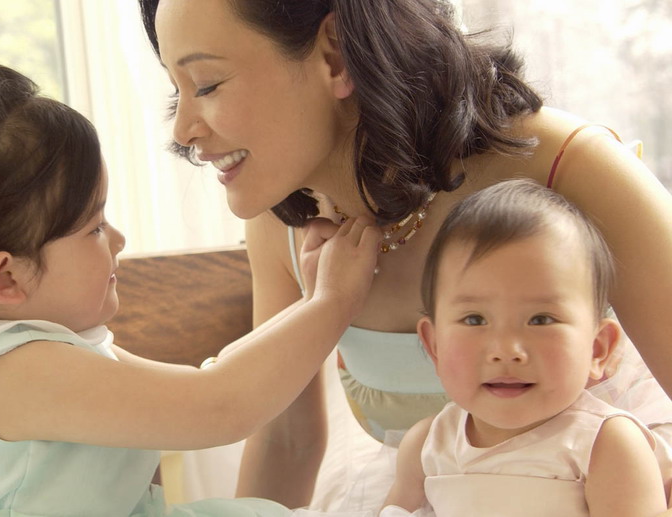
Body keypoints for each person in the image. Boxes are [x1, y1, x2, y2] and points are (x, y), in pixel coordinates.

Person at [138, 0, 672, 509]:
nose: (184, 131)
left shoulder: (565, 167)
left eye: (206, 84)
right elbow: (287, 445)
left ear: (336, 55)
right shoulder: (281, 219)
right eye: (174, 93)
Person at [0, 54, 381, 517]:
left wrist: (310, 301)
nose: (117, 239)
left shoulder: (31, 352)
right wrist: (334, 302)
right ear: (8, 277)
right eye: (94, 227)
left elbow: (203, 383)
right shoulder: (16, 374)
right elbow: (219, 405)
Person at [380, 179, 667, 517]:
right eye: (474, 320)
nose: (506, 350)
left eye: (541, 319)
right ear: (434, 344)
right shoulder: (428, 445)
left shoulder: (605, 445)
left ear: (597, 348)